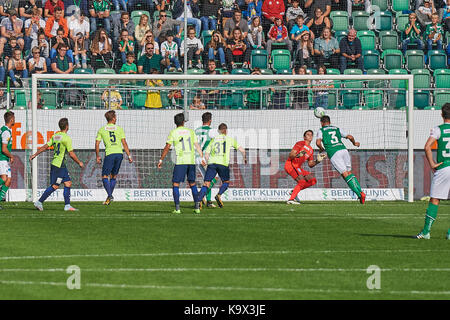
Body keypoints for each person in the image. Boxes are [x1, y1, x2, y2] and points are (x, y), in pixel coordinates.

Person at [30, 118, 84, 212]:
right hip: (59, 166)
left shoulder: (55, 136)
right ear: (67, 126)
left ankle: (67, 205)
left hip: (58, 164)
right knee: (55, 186)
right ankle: (39, 202)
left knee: (68, 183)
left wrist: (35, 154)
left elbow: (45, 147)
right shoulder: (66, 138)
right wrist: (79, 162)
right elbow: (71, 154)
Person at [158, 112, 205, 214]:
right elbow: (197, 145)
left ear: (175, 122)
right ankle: (197, 207)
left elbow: (167, 147)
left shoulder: (173, 132)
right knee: (192, 183)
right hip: (191, 161)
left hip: (181, 161)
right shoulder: (190, 132)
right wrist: (202, 157)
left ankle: (177, 209)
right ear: (184, 122)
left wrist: (161, 159)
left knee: (175, 184)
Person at [416, 103, 450, 239]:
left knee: (435, 199)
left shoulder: (438, 129)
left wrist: (432, 164)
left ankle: (426, 232)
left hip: (443, 167)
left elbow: (427, 147)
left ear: (442, 115)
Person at [316, 115, 366, 204]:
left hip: (334, 153)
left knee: (345, 174)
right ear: (329, 122)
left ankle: (360, 193)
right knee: (349, 173)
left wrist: (321, 149)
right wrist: (354, 143)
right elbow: (350, 136)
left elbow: (318, 142)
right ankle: (360, 193)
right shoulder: (336, 128)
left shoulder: (321, 130)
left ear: (321, 123)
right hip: (343, 150)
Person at [197, 123, 247, 208]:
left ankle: (198, 201)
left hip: (212, 163)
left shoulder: (214, 139)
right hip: (223, 164)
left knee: (206, 183)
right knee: (226, 182)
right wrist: (244, 158)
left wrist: (208, 162)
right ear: (226, 131)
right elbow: (242, 150)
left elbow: (207, 153)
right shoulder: (229, 139)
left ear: (218, 131)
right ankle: (219, 195)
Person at [95, 110, 132, 205]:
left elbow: (97, 143)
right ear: (113, 118)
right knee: (113, 176)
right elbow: (124, 143)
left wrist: (98, 156)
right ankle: (108, 198)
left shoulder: (102, 129)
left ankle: (110, 195)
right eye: (115, 117)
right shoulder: (119, 129)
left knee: (104, 176)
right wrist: (129, 155)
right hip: (119, 154)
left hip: (110, 154)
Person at [285, 129, 325, 204]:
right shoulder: (300, 143)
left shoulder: (310, 150)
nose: (310, 136)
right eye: (308, 134)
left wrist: (317, 161)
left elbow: (310, 165)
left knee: (313, 180)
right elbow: (290, 155)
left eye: (311, 135)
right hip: (291, 164)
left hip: (298, 167)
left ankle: (294, 192)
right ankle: (291, 200)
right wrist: (297, 155)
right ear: (304, 137)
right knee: (302, 181)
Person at [195, 112, 217, 208]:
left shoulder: (196, 131)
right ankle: (201, 196)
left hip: (196, 158)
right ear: (210, 120)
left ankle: (208, 201)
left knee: (207, 179)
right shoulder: (212, 131)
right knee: (213, 178)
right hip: (205, 158)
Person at [0, 111, 15, 208]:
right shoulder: (6, 132)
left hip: (5, 159)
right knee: (4, 179)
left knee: (8, 181)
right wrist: (11, 156)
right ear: (12, 119)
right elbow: (4, 149)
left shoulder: (5, 130)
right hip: (2, 159)